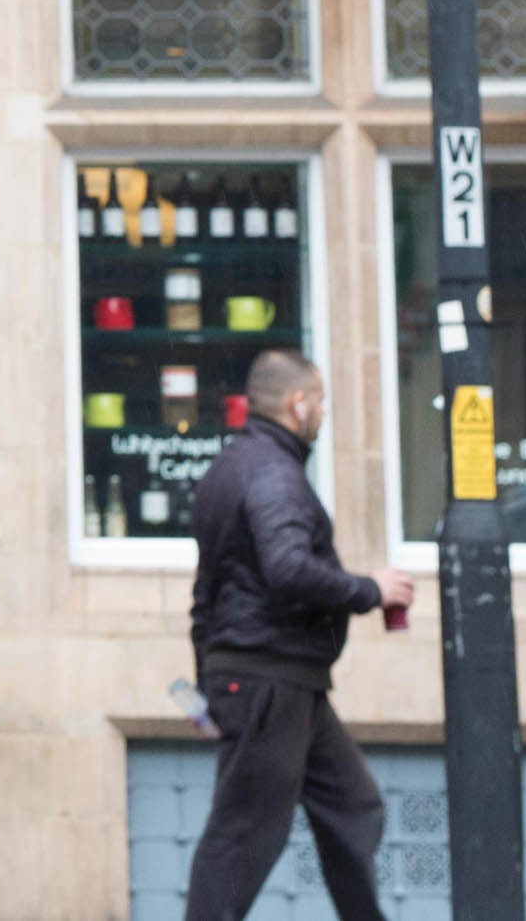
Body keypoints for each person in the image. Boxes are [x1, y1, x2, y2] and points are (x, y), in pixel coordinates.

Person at [183, 351, 417, 921]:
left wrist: (207, 680)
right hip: (268, 680)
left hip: (283, 682)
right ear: (298, 404)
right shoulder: (273, 474)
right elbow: (286, 566)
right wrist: (369, 589)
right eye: (321, 402)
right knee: (241, 839)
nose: (323, 414)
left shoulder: (232, 468)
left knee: (353, 808)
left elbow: (205, 594)